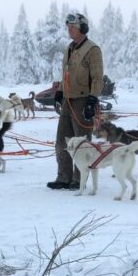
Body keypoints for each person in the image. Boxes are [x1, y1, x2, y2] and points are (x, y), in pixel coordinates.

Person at [47, 12, 104, 191]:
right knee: (62, 142)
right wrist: (59, 92)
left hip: (83, 100)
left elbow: (97, 77)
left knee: (81, 144)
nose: (69, 30)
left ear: (83, 29)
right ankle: (63, 177)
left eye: (73, 27)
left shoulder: (92, 50)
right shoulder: (69, 49)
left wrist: (92, 99)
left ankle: (79, 179)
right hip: (68, 101)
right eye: (68, 27)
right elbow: (67, 74)